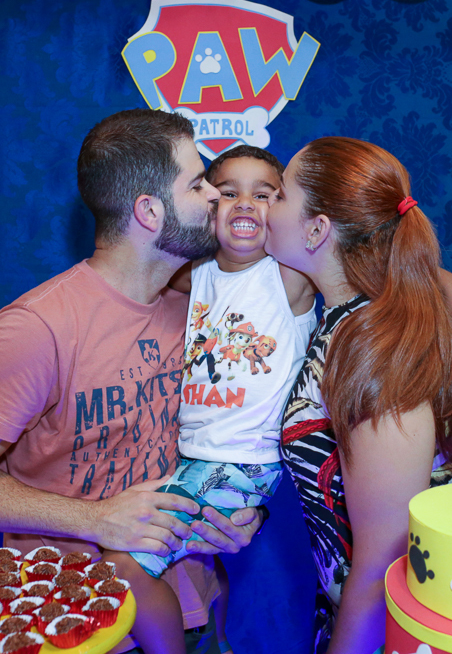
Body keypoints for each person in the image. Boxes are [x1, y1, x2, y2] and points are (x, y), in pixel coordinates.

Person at [0, 109, 263, 652]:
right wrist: (96, 520)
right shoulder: (38, 327)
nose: (215, 195)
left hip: (197, 604)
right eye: (196, 184)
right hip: (80, 626)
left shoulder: (201, 305)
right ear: (149, 211)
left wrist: (244, 513)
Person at [265, 137, 452, 654]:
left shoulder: (373, 351)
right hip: (353, 616)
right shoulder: (350, 320)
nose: (265, 207)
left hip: (389, 632)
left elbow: (383, 565)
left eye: (279, 194)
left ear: (317, 230)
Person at [104, 146, 318, 654]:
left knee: (124, 562)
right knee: (199, 561)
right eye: (228, 192)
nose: (245, 203)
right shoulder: (195, 275)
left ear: (285, 210)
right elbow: (143, 253)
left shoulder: (288, 277)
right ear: (208, 206)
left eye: (264, 195)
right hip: (196, 456)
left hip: (242, 461)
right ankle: (216, 640)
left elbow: (367, 258)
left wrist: (446, 285)